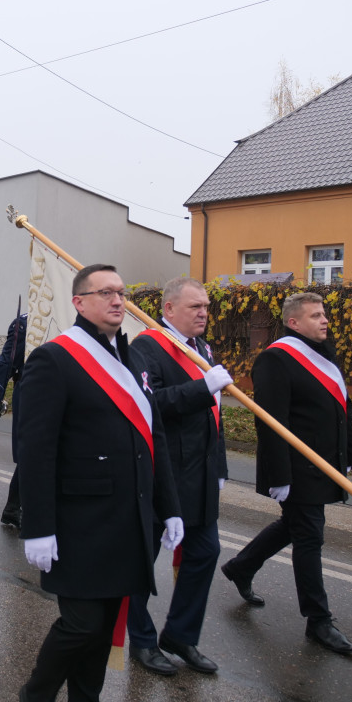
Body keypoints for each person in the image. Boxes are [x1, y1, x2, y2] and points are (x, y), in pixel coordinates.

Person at [18, 264, 182, 702]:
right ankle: (34, 695)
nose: (117, 300)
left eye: (121, 293)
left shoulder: (131, 358)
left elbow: (153, 437)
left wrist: (169, 506)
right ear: (79, 302)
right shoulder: (55, 358)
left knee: (104, 627)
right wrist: (37, 525)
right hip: (78, 523)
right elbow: (35, 450)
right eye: (105, 292)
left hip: (126, 522)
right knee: (81, 625)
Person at [220, 291, 352, 654]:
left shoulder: (325, 358)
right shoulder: (276, 360)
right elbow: (271, 423)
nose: (325, 320)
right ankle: (318, 621)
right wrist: (279, 476)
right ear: (294, 322)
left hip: (323, 464)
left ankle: (241, 566)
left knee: (295, 526)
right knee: (309, 536)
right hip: (298, 469)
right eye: (316, 315)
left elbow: (342, 411)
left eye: (324, 314)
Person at [127, 277, 231, 676]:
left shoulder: (201, 349)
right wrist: (202, 388)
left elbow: (214, 418)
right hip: (161, 474)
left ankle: (181, 636)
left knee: (205, 553)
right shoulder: (147, 347)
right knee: (142, 562)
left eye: (205, 306)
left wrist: (219, 465)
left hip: (200, 477)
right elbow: (149, 405)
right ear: (169, 310)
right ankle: (142, 639)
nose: (204, 312)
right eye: (194, 307)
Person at [0, 310, 26, 528]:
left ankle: (15, 507)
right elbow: (8, 360)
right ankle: (13, 508)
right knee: (30, 452)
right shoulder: (26, 323)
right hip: (30, 390)